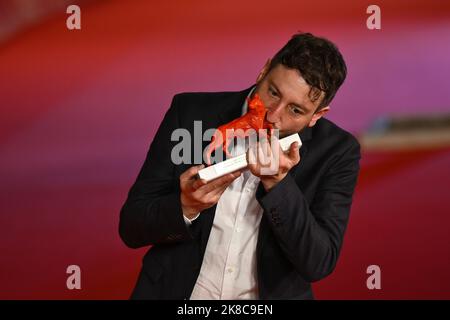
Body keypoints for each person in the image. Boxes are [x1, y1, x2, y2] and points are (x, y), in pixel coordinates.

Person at [119, 32, 361, 300]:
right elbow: (131, 226)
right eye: (273, 92)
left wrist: (278, 185)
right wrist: (185, 206)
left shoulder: (337, 151)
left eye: (295, 110)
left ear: (317, 116)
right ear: (263, 70)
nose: (273, 115)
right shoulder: (189, 113)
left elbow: (318, 262)